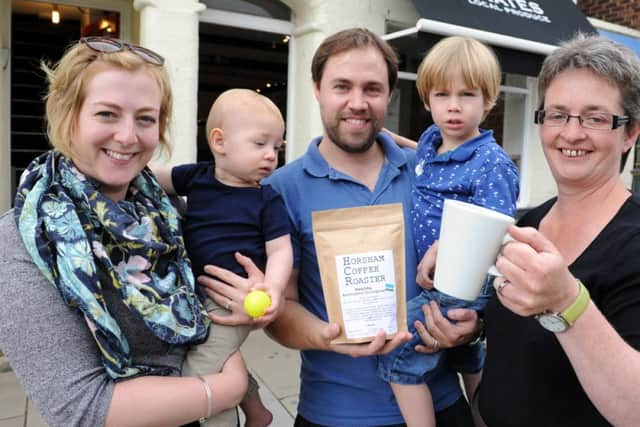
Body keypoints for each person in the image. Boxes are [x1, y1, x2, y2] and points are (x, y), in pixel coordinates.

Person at [197, 28, 481, 427]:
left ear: (389, 94)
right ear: (317, 89)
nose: (357, 102)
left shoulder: (429, 173)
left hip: (441, 404)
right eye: (342, 86)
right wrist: (326, 336)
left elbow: (471, 272)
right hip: (334, 413)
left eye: (372, 88)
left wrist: (470, 327)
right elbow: (283, 308)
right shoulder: (280, 190)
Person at [0, 37, 248, 426]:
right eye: (107, 114)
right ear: (68, 114)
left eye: (146, 118)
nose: (128, 136)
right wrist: (223, 391)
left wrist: (248, 301)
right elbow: (80, 408)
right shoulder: (22, 239)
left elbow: (207, 306)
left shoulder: (166, 211)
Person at [412, 33, 640, 426]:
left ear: (630, 133)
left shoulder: (633, 242)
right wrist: (475, 328)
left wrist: (568, 302)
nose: (571, 133)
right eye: (557, 114)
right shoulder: (526, 225)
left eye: (595, 118)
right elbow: (522, 341)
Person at [376, 36, 519, 426]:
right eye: (442, 94)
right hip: (435, 283)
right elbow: (419, 154)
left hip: (458, 283)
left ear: (489, 100)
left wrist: (445, 245)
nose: (453, 105)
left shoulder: (491, 164)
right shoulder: (431, 142)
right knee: (468, 361)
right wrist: (386, 138)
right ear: (427, 101)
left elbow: (494, 229)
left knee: (397, 356)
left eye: (467, 94)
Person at [153, 88, 293, 427]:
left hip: (232, 302)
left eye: (277, 147)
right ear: (220, 142)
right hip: (194, 296)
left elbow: (280, 249)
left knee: (202, 374)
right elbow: (152, 176)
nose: (271, 155)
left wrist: (273, 288)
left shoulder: (267, 199)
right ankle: (258, 412)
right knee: (220, 358)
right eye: (260, 144)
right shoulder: (198, 177)